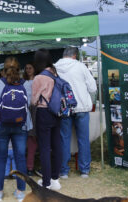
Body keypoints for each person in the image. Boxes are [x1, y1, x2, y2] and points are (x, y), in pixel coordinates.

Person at [0, 57, 33, 202]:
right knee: (20, 157)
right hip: (21, 125)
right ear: (19, 69)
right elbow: (30, 103)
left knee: (1, 157)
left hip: (0, 125)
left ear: (4, 69)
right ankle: (21, 192)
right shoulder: (26, 84)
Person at [54, 47, 97, 179]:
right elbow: (93, 87)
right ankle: (84, 170)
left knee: (63, 139)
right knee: (83, 139)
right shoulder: (80, 66)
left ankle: (64, 170)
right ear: (74, 55)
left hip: (64, 107)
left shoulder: (55, 67)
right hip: (82, 107)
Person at [31, 49, 62, 191]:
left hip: (43, 112)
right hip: (56, 112)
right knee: (56, 145)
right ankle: (55, 179)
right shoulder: (55, 74)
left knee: (44, 148)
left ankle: (46, 182)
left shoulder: (39, 78)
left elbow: (33, 100)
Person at [23, 62, 37, 176]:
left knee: (33, 138)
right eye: (27, 68)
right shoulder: (23, 82)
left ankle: (31, 166)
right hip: (25, 111)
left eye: (30, 68)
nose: (28, 70)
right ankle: (28, 166)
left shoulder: (37, 80)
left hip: (35, 110)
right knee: (28, 139)